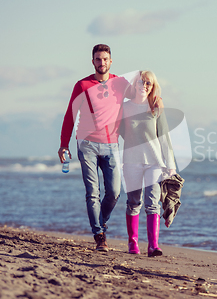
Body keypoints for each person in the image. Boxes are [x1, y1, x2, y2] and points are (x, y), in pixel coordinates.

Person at [58, 44, 132, 252]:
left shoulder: (120, 84)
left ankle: (100, 221)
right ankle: (99, 235)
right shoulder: (82, 85)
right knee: (93, 192)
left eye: (105, 59)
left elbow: (140, 96)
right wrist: (64, 145)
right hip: (87, 144)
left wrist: (156, 99)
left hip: (111, 145)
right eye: (98, 59)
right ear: (93, 62)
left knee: (115, 192)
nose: (102, 63)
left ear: (111, 61)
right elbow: (69, 116)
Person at [120, 71, 176, 257]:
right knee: (133, 202)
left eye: (148, 83)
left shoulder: (155, 107)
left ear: (152, 87)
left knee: (153, 203)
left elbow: (164, 135)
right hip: (131, 162)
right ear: (135, 84)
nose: (144, 85)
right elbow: (117, 131)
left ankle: (153, 246)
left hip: (154, 162)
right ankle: (133, 244)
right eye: (141, 82)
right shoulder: (125, 108)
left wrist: (170, 164)